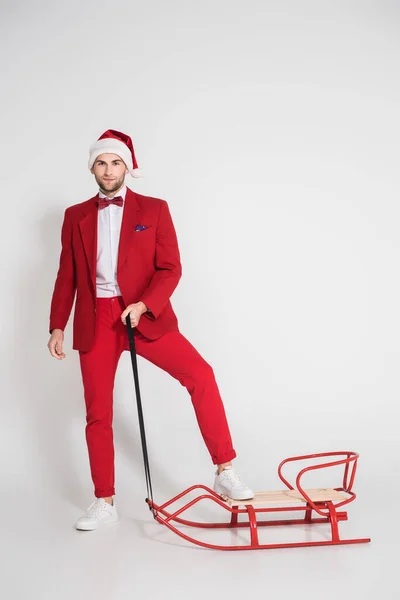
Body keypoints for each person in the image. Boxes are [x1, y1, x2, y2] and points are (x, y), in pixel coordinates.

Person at [48, 129, 254, 531]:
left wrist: (144, 305)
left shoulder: (154, 209)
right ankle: (104, 500)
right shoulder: (76, 216)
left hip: (144, 316)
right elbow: (66, 274)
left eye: (116, 162)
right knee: (98, 414)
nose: (109, 170)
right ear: (92, 167)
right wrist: (57, 325)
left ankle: (224, 469)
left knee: (201, 375)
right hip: (96, 320)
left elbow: (170, 268)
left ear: (128, 167)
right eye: (102, 163)